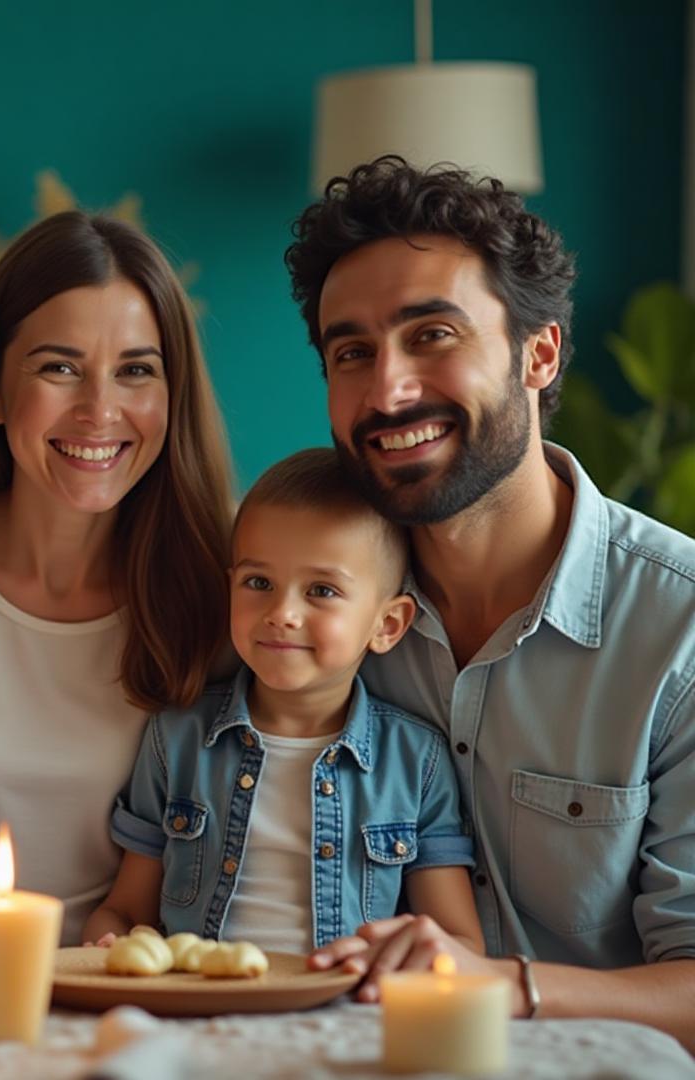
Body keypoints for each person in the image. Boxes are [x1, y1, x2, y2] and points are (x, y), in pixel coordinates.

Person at [289, 156, 695, 1045]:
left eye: (431, 334)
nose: (389, 390)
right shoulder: (305, 608)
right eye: (351, 351)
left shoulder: (681, 628)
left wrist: (500, 986)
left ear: (538, 352)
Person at [0, 211, 234, 943]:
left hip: (124, 994)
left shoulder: (225, 600)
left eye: (136, 371)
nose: (99, 410)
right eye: (59, 367)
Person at [83, 448, 482, 956]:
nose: (282, 613)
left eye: (321, 590)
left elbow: (459, 941)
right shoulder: (177, 737)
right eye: (258, 583)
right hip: (197, 1002)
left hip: (342, 1011)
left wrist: (396, 962)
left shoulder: (416, 761)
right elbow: (125, 908)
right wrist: (110, 941)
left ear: (387, 625)